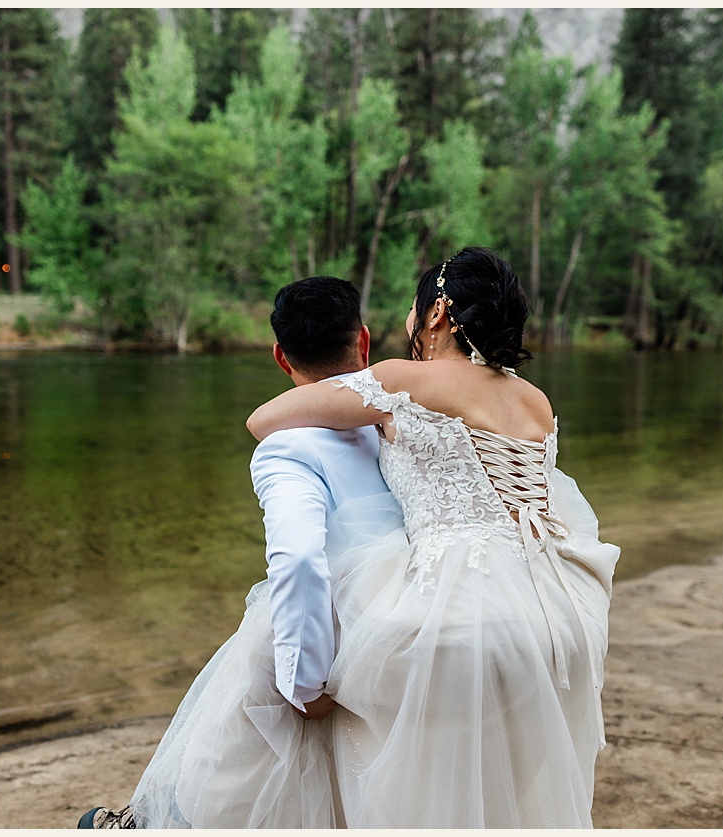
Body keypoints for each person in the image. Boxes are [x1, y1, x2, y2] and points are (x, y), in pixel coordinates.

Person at [242, 247, 618, 827]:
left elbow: (265, 419)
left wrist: (368, 407)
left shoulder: (401, 380)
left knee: (311, 670)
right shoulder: (534, 399)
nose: (411, 324)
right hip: (560, 611)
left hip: (463, 595)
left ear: (439, 312)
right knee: (499, 785)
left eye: (416, 312)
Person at [84, 277, 403, 828]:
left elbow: (300, 561)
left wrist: (304, 683)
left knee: (230, 755)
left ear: (281, 357)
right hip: (395, 635)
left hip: (330, 646)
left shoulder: (286, 447)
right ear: (366, 342)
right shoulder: (405, 429)